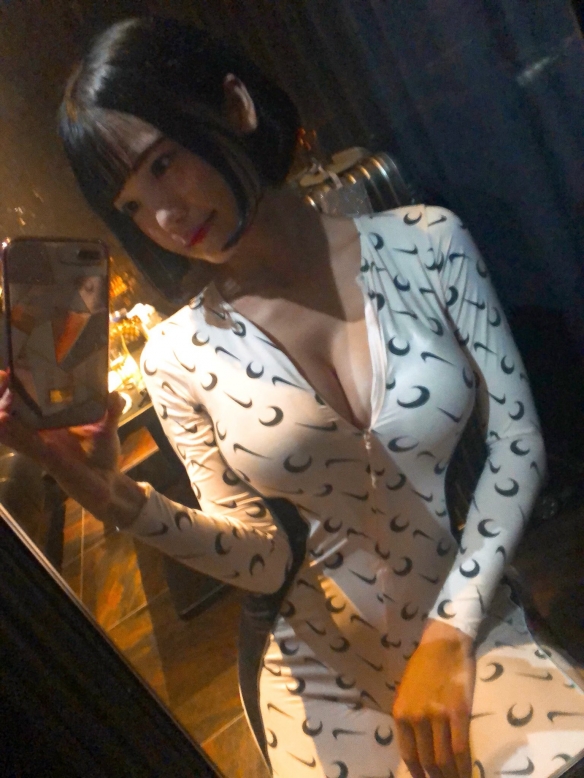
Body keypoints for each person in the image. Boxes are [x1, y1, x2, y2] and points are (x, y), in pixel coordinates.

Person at [1, 16, 583, 778]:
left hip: (463, 611)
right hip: (324, 668)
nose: (165, 218)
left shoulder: (427, 243)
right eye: (133, 205)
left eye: (165, 164)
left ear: (235, 105)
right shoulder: (177, 355)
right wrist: (110, 494)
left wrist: (451, 630)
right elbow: (265, 558)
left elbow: (517, 442)